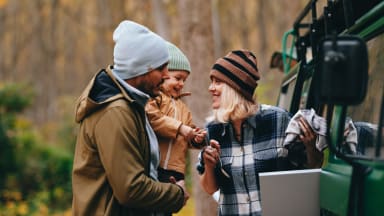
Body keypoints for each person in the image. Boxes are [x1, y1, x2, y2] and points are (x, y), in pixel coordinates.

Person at [72, 20, 188, 216]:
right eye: (161, 69)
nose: (166, 75)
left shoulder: (132, 105)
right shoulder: (115, 112)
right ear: (140, 69)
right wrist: (177, 194)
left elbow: (132, 171)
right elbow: (130, 189)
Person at [196, 50, 322, 215]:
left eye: (217, 82)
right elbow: (210, 188)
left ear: (235, 88)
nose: (210, 88)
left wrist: (311, 147)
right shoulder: (213, 129)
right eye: (211, 81)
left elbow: (312, 166)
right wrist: (210, 166)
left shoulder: (279, 119)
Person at [145, 41, 207, 215]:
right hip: (156, 169)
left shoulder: (183, 109)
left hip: (175, 170)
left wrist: (196, 137)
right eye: (177, 78)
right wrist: (180, 128)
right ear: (163, 75)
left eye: (184, 80)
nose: (181, 84)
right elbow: (153, 118)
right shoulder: (155, 99)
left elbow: (188, 133)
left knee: (168, 210)